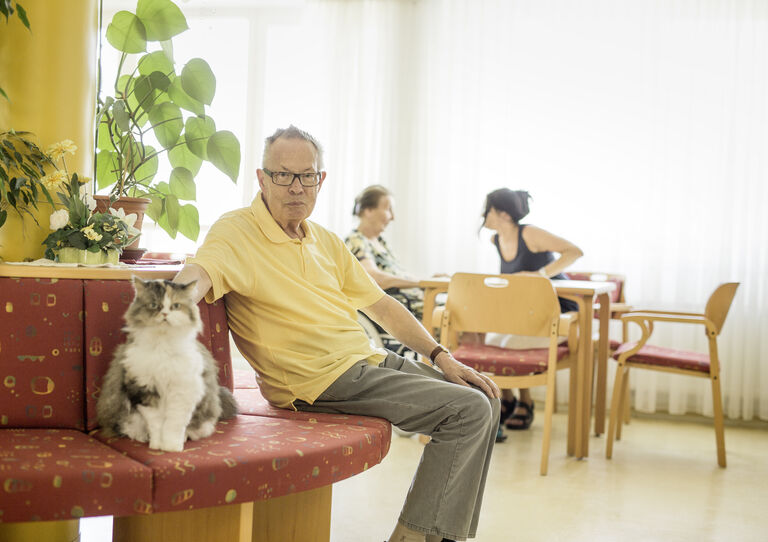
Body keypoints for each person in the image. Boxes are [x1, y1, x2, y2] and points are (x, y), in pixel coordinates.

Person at [174, 125, 500, 542]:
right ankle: (409, 538)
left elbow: (382, 305)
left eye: (306, 175)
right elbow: (201, 270)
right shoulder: (237, 231)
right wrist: (169, 299)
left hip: (364, 362)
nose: (296, 187)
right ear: (261, 178)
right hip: (315, 378)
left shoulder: (324, 240)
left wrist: (441, 356)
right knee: (467, 411)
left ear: (320, 180)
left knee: (486, 401)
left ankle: (438, 537)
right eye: (283, 175)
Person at [481, 188, 583, 435]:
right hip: (527, 313)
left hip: (558, 311)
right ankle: (509, 398)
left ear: (502, 214)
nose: (483, 215)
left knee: (506, 340)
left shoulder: (529, 233)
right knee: (492, 337)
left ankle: (521, 401)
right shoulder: (496, 240)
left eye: (488, 209)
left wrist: (540, 275)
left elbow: (574, 251)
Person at [345, 185, 428, 320]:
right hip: (400, 309)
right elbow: (375, 278)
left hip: (415, 304)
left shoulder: (381, 242)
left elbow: (398, 274)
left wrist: (428, 281)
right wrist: (421, 283)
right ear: (369, 210)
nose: (392, 217)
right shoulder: (356, 240)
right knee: (458, 314)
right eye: (388, 209)